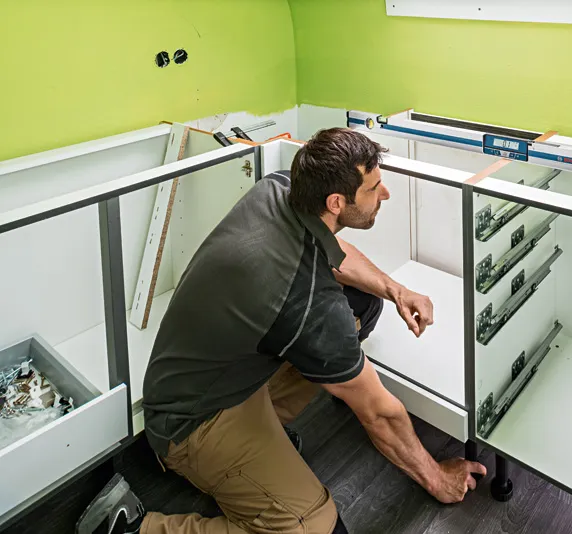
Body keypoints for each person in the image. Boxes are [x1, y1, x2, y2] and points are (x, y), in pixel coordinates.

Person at [76, 128, 487, 534]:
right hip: (193, 422)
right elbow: (380, 413)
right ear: (337, 202)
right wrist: (436, 477)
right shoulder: (306, 303)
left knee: (364, 304)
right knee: (318, 529)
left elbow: (333, 253)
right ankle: (129, 527)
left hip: (206, 375)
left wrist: (395, 288)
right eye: (375, 187)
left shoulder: (280, 187)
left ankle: (262, 441)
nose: (386, 194)